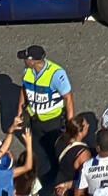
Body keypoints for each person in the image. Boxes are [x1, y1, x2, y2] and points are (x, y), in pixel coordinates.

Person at [17, 45, 75, 179]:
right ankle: (45, 180)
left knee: (55, 152)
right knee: (38, 152)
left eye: (25, 58)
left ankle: (58, 177)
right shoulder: (28, 71)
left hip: (53, 123)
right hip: (35, 120)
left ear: (33, 61)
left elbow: (68, 98)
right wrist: (20, 109)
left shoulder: (56, 74)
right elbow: (24, 88)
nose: (24, 61)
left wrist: (71, 125)